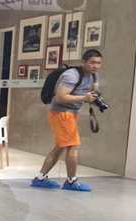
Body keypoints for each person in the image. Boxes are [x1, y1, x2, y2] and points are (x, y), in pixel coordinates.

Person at [31, 49, 102, 192]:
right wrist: (84, 98)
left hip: (72, 113)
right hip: (62, 113)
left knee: (60, 147)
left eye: (99, 63)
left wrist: (97, 101)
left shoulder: (93, 75)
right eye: (92, 62)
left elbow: (94, 92)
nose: (96, 66)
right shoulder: (71, 75)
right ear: (83, 62)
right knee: (73, 147)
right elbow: (60, 97)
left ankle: (40, 178)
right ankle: (71, 181)